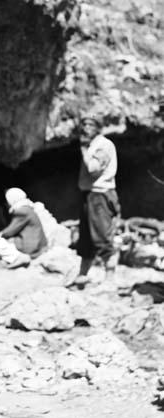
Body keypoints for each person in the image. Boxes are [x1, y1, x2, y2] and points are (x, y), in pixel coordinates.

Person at [72, 113, 120, 287]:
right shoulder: (92, 145)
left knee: (102, 237)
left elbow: (94, 168)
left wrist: (84, 150)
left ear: (98, 127)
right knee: (86, 238)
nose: (86, 128)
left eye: (91, 125)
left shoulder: (103, 145)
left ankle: (110, 278)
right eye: (84, 125)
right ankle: (82, 275)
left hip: (100, 195)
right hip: (89, 194)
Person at [0, 188, 47, 268]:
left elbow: (10, 231)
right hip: (37, 244)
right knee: (7, 241)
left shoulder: (21, 211)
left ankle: (18, 258)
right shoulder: (27, 208)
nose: (6, 203)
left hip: (31, 247)